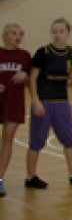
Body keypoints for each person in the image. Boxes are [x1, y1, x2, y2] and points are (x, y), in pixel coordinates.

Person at [25, 18, 72, 189]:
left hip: (62, 101)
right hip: (44, 101)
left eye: (61, 31)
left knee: (70, 138)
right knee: (37, 140)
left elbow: (70, 71)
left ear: (68, 33)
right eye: (54, 31)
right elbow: (33, 77)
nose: (57, 35)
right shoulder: (43, 52)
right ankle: (31, 176)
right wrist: (35, 100)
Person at [0, 23, 32, 197]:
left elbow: (34, 78)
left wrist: (26, 76)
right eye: (14, 33)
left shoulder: (25, 56)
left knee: (7, 137)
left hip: (13, 103)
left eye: (21, 34)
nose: (18, 36)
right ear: (4, 36)